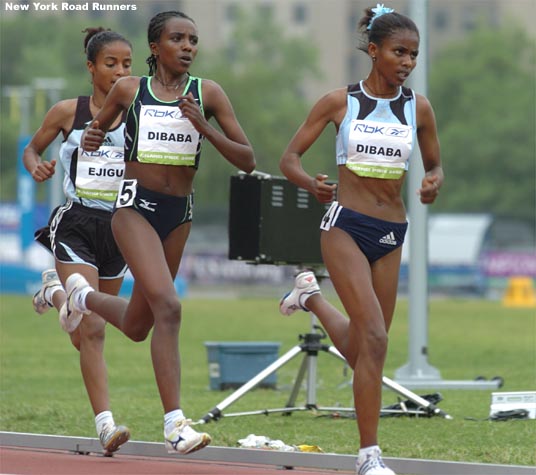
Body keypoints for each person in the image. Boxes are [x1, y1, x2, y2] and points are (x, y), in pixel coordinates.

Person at [62, 10, 256, 455]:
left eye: (193, 39)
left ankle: (81, 298)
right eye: (177, 39)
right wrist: (92, 137)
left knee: (137, 324)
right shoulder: (131, 89)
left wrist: (203, 126)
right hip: (133, 210)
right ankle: (175, 425)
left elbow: (247, 159)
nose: (188, 47)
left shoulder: (207, 93)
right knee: (169, 305)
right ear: (155, 47)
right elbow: (97, 127)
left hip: (178, 215)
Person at [278, 5, 443, 475]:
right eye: (399, 52)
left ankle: (310, 297)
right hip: (345, 224)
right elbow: (290, 158)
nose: (407, 62)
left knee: (367, 346)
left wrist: (433, 180)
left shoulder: (419, 107)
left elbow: (434, 164)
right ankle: (369, 457)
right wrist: (312, 184)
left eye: (413, 54)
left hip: (392, 231)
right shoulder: (338, 102)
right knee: (373, 336)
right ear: (374, 51)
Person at [22, 27, 133, 455]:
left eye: (126, 64)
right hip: (77, 223)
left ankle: (53, 292)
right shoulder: (68, 112)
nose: (119, 71)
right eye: (110, 64)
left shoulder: (140, 115)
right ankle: (106, 426)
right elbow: (32, 149)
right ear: (91, 67)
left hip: (121, 230)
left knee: (83, 333)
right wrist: (37, 166)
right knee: (95, 328)